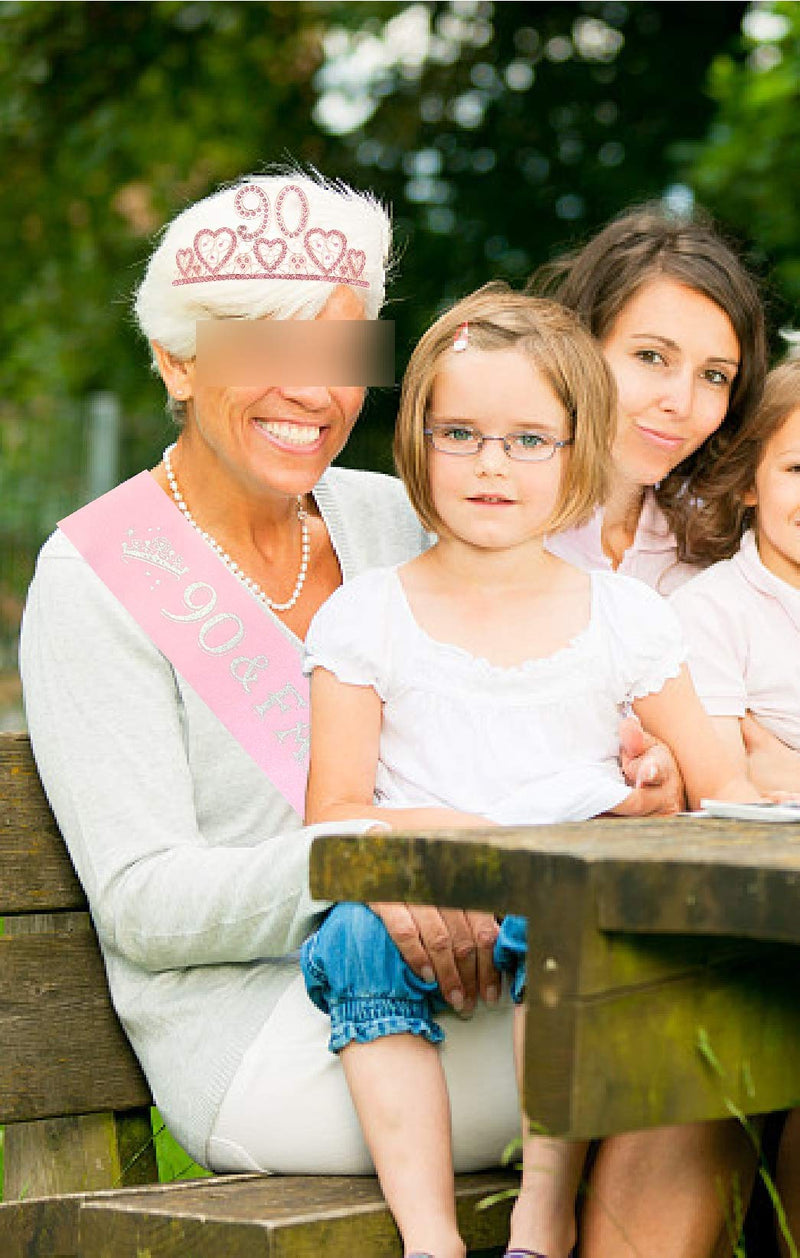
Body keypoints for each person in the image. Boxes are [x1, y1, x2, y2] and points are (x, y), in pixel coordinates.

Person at [18, 171, 672, 1185]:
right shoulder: (98, 572)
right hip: (272, 1037)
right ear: (175, 360)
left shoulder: (391, 514)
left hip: (481, 972)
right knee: (692, 1053)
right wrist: (367, 859)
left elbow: (524, 717)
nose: (314, 393)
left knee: (711, 1030)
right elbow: (144, 901)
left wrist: (629, 778)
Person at [300, 286, 763, 1258]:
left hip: (559, 912)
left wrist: (688, 785)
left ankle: (538, 1211)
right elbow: (333, 812)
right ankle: (427, 1236)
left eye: (526, 440)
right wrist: (451, 839)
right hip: (418, 901)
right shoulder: (366, 613)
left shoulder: (623, 618)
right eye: (458, 432)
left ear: (577, 450)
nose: (488, 465)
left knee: (570, 914)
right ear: (416, 440)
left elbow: (721, 786)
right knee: (347, 935)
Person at [528, 203, 776, 1258]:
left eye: (714, 375)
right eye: (649, 356)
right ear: (575, 340)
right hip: (539, 928)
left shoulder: (705, 547)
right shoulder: (495, 512)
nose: (681, 401)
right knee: (702, 1042)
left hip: (692, 914)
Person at [670, 358, 800, 1257]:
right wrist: (758, 768)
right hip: (753, 937)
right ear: (750, 479)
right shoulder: (713, 612)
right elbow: (726, 791)